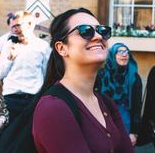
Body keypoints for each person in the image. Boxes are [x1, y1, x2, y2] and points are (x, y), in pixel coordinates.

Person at [32, 8, 134, 153]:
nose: (99, 36)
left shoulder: (106, 103)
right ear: (62, 48)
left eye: (103, 30)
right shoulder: (53, 108)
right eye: (86, 31)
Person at [0, 11, 51, 123]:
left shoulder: (43, 46)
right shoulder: (9, 45)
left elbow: (46, 74)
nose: (15, 30)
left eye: (18, 25)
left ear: (30, 24)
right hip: (11, 98)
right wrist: (9, 59)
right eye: (12, 27)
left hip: (33, 99)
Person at [95, 43, 142, 146]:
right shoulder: (101, 75)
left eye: (126, 52)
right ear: (112, 55)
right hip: (104, 121)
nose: (124, 55)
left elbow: (137, 106)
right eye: (120, 52)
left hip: (125, 121)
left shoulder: (134, 77)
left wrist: (134, 132)